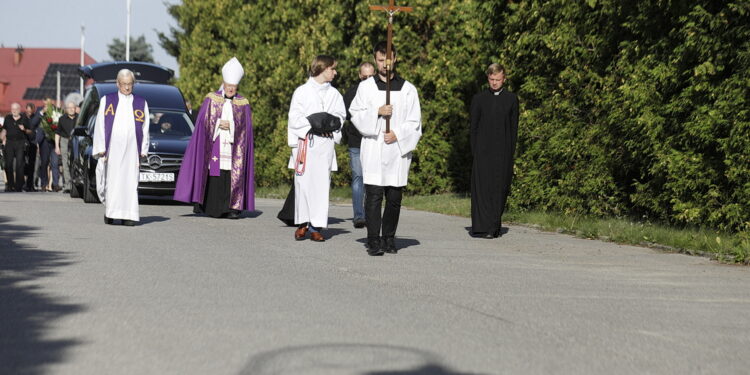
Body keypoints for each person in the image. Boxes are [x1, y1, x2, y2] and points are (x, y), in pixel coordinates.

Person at [350, 42, 422, 256]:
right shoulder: (366, 88)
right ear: (375, 60)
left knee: (394, 197)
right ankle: (373, 239)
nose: (384, 65)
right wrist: (377, 111)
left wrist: (398, 133)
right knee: (373, 195)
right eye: (380, 60)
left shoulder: (408, 89)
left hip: (396, 150)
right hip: (374, 147)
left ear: (395, 59)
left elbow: (415, 121)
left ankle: (389, 237)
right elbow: (355, 113)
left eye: (388, 60)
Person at [174, 57, 255, 219]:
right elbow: (203, 123)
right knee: (215, 174)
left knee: (232, 175)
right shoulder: (212, 99)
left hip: (234, 146)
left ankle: (233, 208)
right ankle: (214, 208)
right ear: (223, 84)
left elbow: (246, 129)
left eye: (234, 86)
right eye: (228, 86)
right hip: (215, 144)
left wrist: (231, 126)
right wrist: (218, 123)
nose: (231, 89)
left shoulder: (242, 103)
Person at [288, 55, 345, 242]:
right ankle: (302, 224)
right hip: (307, 142)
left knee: (321, 186)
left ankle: (316, 226)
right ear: (322, 68)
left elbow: (340, 118)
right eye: (332, 69)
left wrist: (331, 124)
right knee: (303, 185)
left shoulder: (335, 94)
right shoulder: (302, 92)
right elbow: (294, 119)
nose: (335, 72)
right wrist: (313, 122)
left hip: (324, 144)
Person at [92, 69, 150, 226]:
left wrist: (143, 149)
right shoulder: (107, 100)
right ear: (118, 84)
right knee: (114, 181)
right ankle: (111, 213)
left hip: (132, 150)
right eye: (124, 84)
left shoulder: (141, 102)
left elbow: (145, 127)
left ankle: (129, 215)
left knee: (130, 182)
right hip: (113, 149)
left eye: (130, 84)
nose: (127, 87)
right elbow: (100, 125)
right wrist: (101, 147)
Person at [470, 64, 519, 238]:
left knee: (499, 188)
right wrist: (475, 151)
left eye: (498, 80)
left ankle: (493, 226)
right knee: (482, 189)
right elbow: (473, 127)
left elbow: (514, 129)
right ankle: (481, 227)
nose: (494, 83)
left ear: (504, 78)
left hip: (503, 152)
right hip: (482, 152)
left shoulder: (512, 100)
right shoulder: (479, 99)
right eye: (491, 80)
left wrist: (510, 152)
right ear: (487, 79)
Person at [343, 62, 375, 229]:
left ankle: (372, 214)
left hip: (375, 142)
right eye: (365, 76)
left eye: (371, 76)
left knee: (374, 181)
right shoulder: (352, 93)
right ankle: (359, 215)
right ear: (359, 75)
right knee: (358, 178)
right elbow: (345, 114)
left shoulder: (380, 92)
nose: (368, 79)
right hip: (356, 141)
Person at [2, 103, 30, 192]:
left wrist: (24, 129)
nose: (14, 110)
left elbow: (30, 131)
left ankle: (19, 186)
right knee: (8, 164)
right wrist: (1, 138)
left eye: (16, 109)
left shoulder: (24, 118)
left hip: (20, 142)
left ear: (19, 109)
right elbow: (4, 130)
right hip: (9, 142)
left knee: (19, 165)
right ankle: (10, 185)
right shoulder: (7, 118)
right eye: (12, 109)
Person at [55, 101, 78, 193]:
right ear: (66, 109)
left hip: (76, 140)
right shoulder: (62, 119)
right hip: (64, 140)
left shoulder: (79, 118)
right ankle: (68, 184)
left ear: (75, 108)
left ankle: (75, 183)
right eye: (69, 108)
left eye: (73, 107)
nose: (71, 109)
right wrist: (57, 146)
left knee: (75, 162)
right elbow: (58, 133)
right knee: (65, 163)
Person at [22, 103, 41, 191]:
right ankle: (22, 183)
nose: (29, 112)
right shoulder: (22, 117)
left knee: (32, 165)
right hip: (24, 143)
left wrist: (27, 131)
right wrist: (28, 131)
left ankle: (30, 185)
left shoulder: (36, 117)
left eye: (31, 111)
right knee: (22, 164)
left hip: (33, 143)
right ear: (26, 109)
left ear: (34, 110)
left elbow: (36, 131)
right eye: (28, 110)